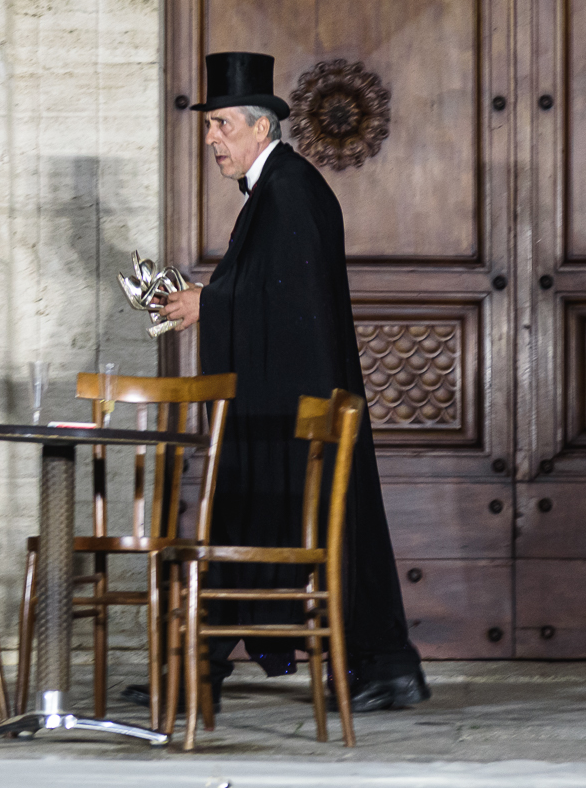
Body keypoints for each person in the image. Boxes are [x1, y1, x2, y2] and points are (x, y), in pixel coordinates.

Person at [158, 50, 429, 712]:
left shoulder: (292, 188)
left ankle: (379, 669)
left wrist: (212, 304)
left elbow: (296, 302)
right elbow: (269, 292)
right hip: (279, 405)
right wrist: (214, 299)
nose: (210, 138)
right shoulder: (279, 187)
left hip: (294, 413)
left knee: (281, 525)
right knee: (244, 517)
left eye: (220, 123)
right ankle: (202, 667)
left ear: (261, 127)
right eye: (208, 124)